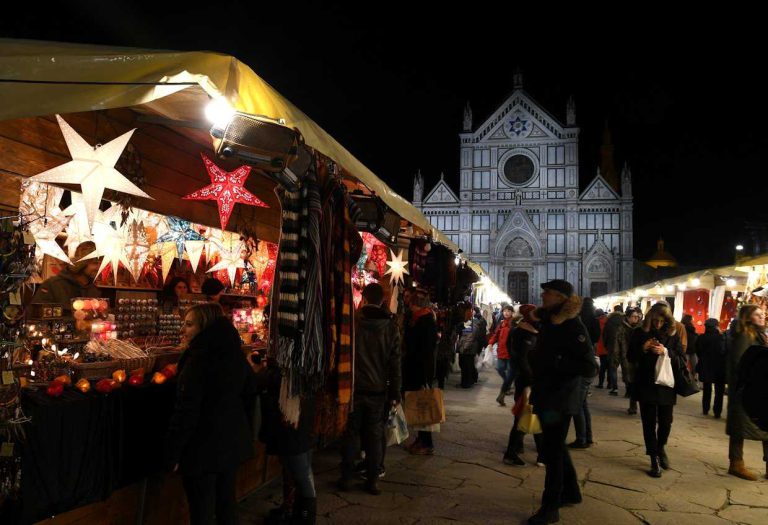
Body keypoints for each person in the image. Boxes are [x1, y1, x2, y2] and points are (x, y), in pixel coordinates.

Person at [164, 303, 256, 525]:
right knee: (225, 503)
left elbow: (187, 411)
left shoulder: (199, 359)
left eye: (188, 324)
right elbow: (250, 392)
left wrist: (173, 453)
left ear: (203, 327)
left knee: (202, 508)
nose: (183, 330)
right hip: (230, 442)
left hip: (202, 447)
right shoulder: (234, 353)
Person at [528, 280, 596, 525]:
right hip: (546, 394)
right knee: (552, 446)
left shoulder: (572, 326)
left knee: (552, 451)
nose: (542, 295)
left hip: (559, 397)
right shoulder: (548, 320)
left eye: (547, 292)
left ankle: (550, 507)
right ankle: (571, 491)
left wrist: (557, 363)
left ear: (559, 297)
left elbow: (589, 366)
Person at [339, 283, 401, 495]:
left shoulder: (354, 322)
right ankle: (372, 480)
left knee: (351, 433)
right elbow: (395, 364)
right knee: (375, 436)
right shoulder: (391, 327)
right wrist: (395, 393)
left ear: (363, 299)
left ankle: (346, 478)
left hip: (354, 388)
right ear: (382, 300)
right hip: (377, 390)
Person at [628, 302, 684, 478]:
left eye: (661, 321)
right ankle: (653, 457)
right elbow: (630, 356)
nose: (658, 324)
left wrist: (665, 351)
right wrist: (643, 348)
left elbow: (681, 358)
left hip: (666, 384)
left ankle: (661, 448)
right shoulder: (639, 333)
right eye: (655, 321)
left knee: (666, 422)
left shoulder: (673, 334)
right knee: (649, 421)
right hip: (646, 383)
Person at [725, 305, 768, 481]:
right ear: (748, 317)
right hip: (747, 389)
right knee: (739, 427)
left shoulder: (760, 335)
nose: (762, 316)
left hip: (760, 388)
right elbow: (739, 363)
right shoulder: (745, 336)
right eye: (757, 314)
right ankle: (736, 464)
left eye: (763, 314)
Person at [503, 304, 543, 466]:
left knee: (531, 415)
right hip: (528, 381)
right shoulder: (524, 332)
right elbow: (522, 359)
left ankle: (520, 451)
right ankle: (512, 452)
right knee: (527, 415)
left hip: (528, 380)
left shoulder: (529, 330)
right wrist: (531, 379)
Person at [403, 289, 438, 455]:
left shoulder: (426, 321)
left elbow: (425, 350)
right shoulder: (419, 319)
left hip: (421, 371)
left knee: (423, 408)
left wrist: (425, 377)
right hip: (416, 369)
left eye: (410, 301)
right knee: (417, 407)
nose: (408, 304)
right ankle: (421, 439)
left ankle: (427, 443)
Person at [31, 241, 102, 311]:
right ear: (82, 264)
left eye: (100, 264)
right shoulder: (53, 286)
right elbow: (36, 315)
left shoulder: (93, 290)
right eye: (95, 263)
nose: (99, 268)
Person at [696, 318, 726, 419]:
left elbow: (698, 351)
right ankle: (717, 412)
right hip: (719, 367)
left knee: (707, 388)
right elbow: (724, 351)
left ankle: (705, 409)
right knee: (719, 391)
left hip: (705, 365)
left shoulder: (701, 337)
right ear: (716, 326)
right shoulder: (721, 338)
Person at [488, 304, 516, 406]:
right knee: (500, 368)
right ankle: (507, 385)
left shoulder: (515, 324)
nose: (506, 313)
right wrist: (491, 343)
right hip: (501, 351)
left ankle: (504, 391)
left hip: (511, 353)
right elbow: (496, 335)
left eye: (508, 311)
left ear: (512, 312)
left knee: (510, 372)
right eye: (504, 311)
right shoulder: (502, 323)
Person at [617, 308, 642, 414]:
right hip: (626, 358)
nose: (636, 319)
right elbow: (617, 343)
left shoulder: (641, 328)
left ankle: (636, 404)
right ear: (627, 317)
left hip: (639, 359)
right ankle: (633, 405)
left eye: (637, 317)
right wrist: (615, 358)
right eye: (633, 317)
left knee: (638, 382)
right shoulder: (622, 328)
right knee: (630, 382)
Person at [602, 305, 625, 395]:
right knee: (625, 368)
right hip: (624, 346)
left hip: (612, 346)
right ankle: (628, 390)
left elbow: (605, 334)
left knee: (613, 368)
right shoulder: (625, 319)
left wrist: (606, 345)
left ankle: (615, 388)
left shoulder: (610, 320)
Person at [457, 305, 479, 389]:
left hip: (468, 350)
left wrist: (463, 348)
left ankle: (467, 383)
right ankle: (466, 381)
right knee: (465, 365)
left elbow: (470, 338)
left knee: (467, 366)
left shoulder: (471, 324)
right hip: (466, 349)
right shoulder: (465, 324)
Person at [681, 314, 699, 380]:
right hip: (691, 350)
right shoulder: (690, 328)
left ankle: (685, 380)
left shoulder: (683, 326)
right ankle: (694, 381)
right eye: (692, 319)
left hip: (686, 350)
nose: (693, 320)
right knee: (694, 367)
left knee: (684, 366)